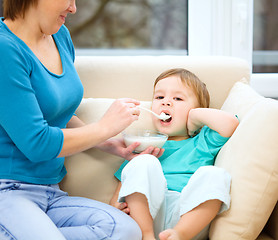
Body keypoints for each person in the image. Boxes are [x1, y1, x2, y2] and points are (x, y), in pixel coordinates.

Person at [0, 0, 166, 239]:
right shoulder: (4, 49)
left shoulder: (60, 37)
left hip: (49, 192)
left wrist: (108, 141)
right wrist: (104, 127)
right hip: (8, 191)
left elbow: (58, 115)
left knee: (126, 230)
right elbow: (37, 144)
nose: (73, 8)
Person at [110, 68, 239, 240]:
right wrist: (115, 207)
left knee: (216, 174)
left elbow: (230, 124)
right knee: (143, 161)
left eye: (178, 98)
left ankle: (179, 235)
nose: (166, 102)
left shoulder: (203, 141)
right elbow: (123, 190)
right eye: (159, 97)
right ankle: (146, 235)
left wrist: (194, 115)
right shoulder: (143, 147)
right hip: (146, 216)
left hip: (189, 216)